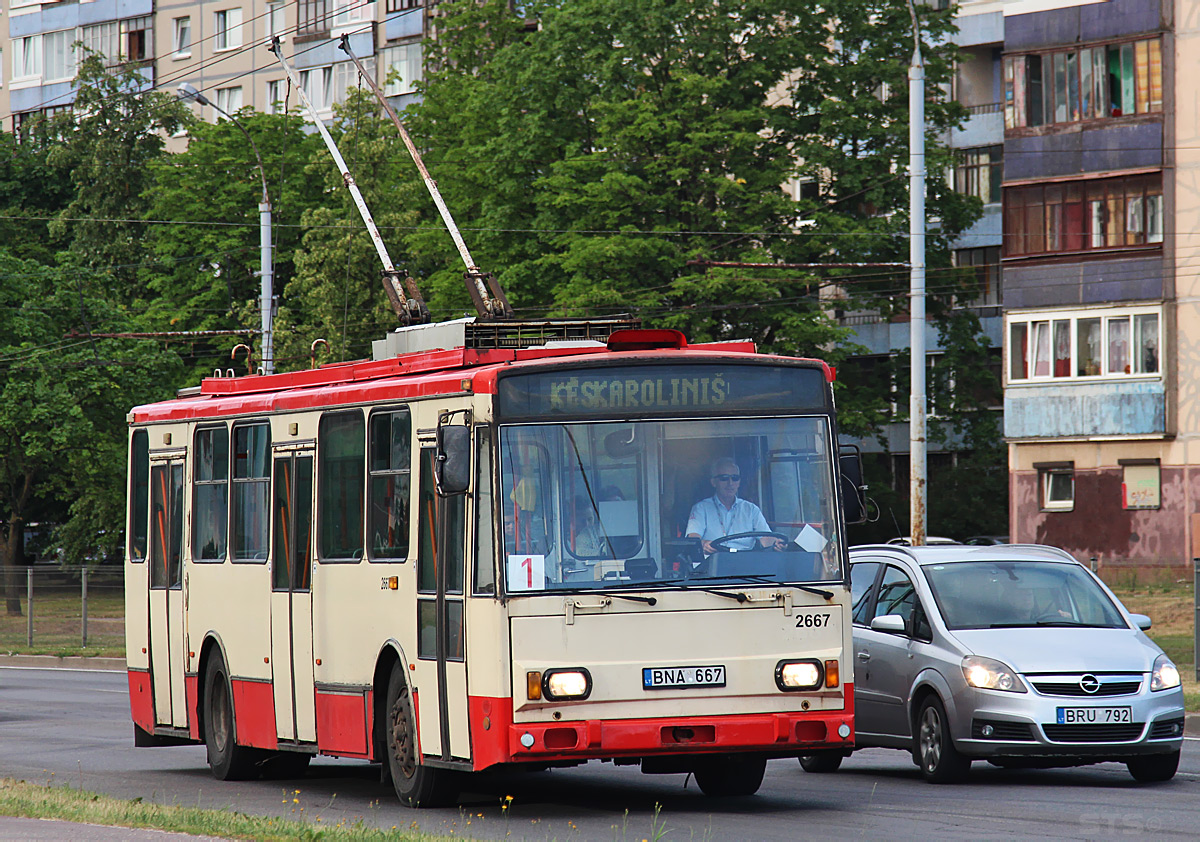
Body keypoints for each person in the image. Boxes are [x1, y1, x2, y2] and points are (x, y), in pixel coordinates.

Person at [686, 457, 782, 554]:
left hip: (744, 563)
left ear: (739, 482)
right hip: (713, 563)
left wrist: (776, 543)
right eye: (724, 478)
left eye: (735, 478)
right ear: (713, 482)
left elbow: (766, 537)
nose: (730, 483)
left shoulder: (751, 509)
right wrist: (704, 544)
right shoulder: (701, 508)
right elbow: (693, 538)